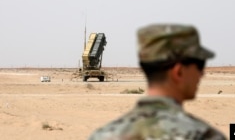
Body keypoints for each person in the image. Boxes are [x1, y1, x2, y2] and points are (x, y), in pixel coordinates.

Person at [88, 24, 227, 140]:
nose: (202, 74)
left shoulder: (103, 135)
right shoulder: (204, 136)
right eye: (200, 65)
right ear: (178, 72)